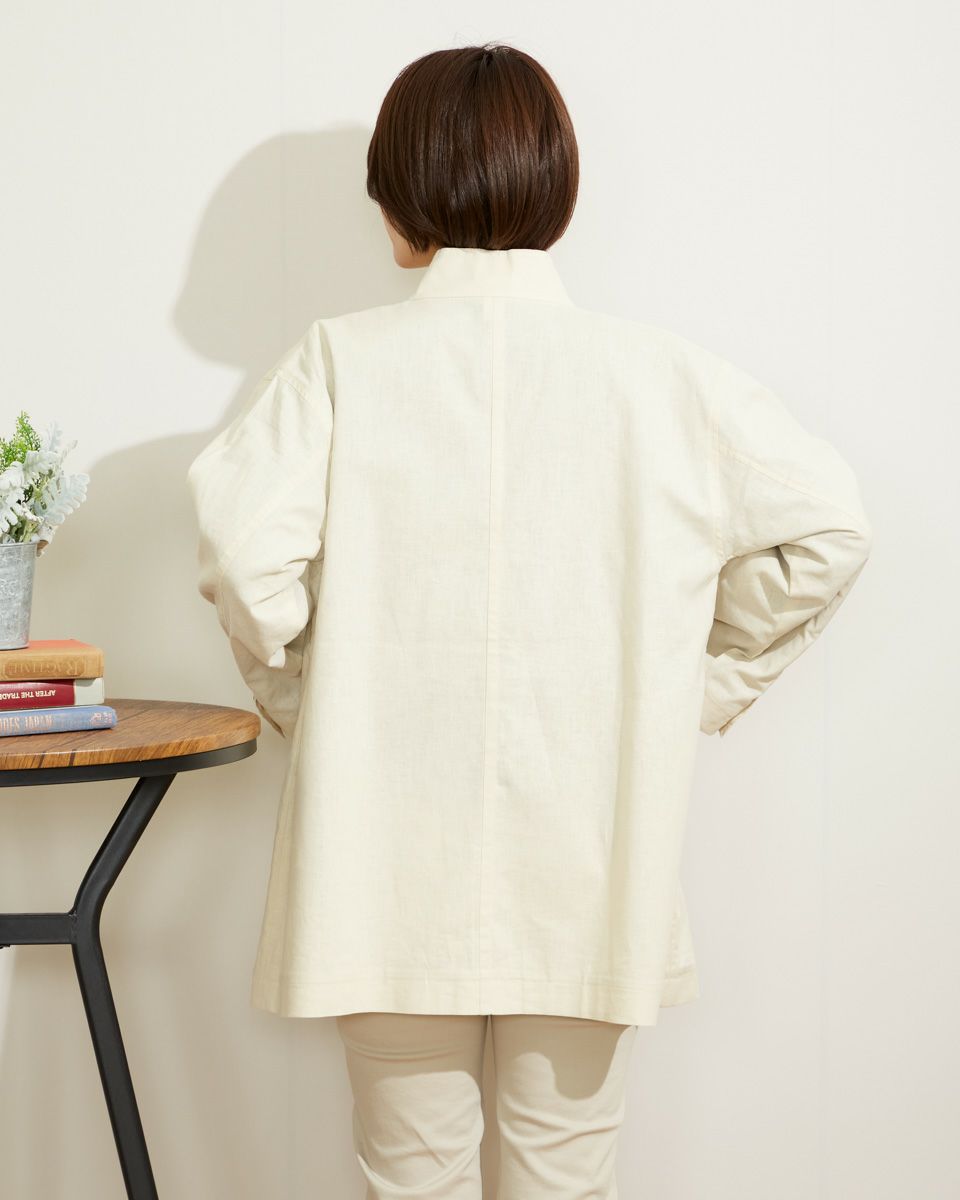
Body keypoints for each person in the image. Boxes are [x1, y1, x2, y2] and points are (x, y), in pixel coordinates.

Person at [186, 41, 872, 1200]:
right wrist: (690, 685)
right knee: (568, 1178)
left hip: (383, 860)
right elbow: (831, 528)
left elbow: (245, 559)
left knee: (411, 1182)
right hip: (594, 850)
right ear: (558, 185)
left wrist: (313, 693)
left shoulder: (341, 365)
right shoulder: (665, 379)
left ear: (398, 195)